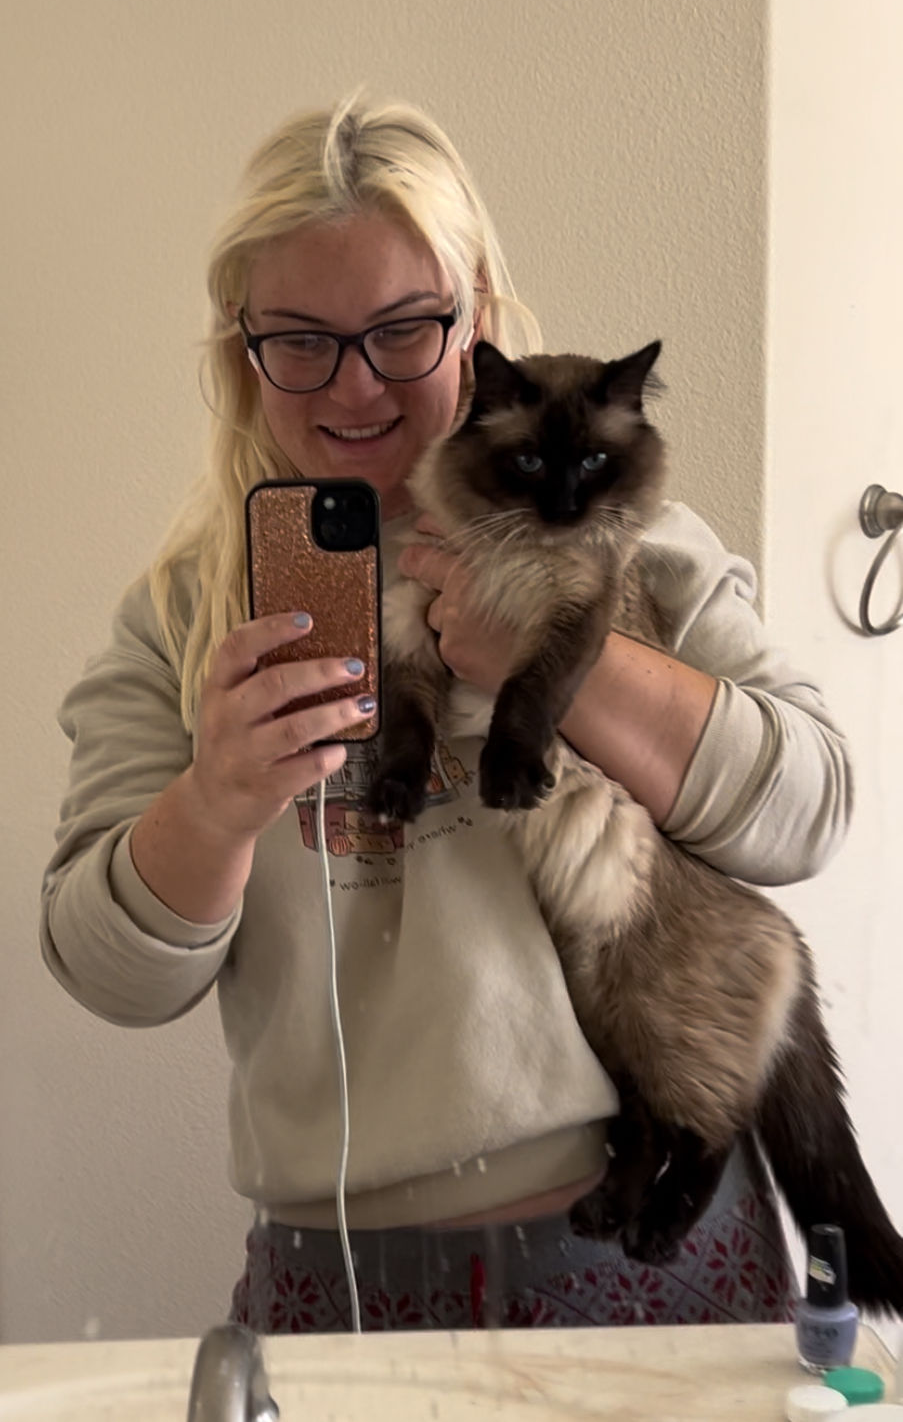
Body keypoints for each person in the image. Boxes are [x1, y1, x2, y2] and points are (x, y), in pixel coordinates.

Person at [41, 94, 852, 1333]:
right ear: (240, 349)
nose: (353, 384)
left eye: (403, 331)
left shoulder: (624, 540)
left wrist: (563, 659)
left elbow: (811, 810)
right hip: (342, 1286)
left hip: (640, 1250)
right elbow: (107, 971)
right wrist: (216, 802)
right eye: (300, 341)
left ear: (473, 322)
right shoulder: (186, 616)